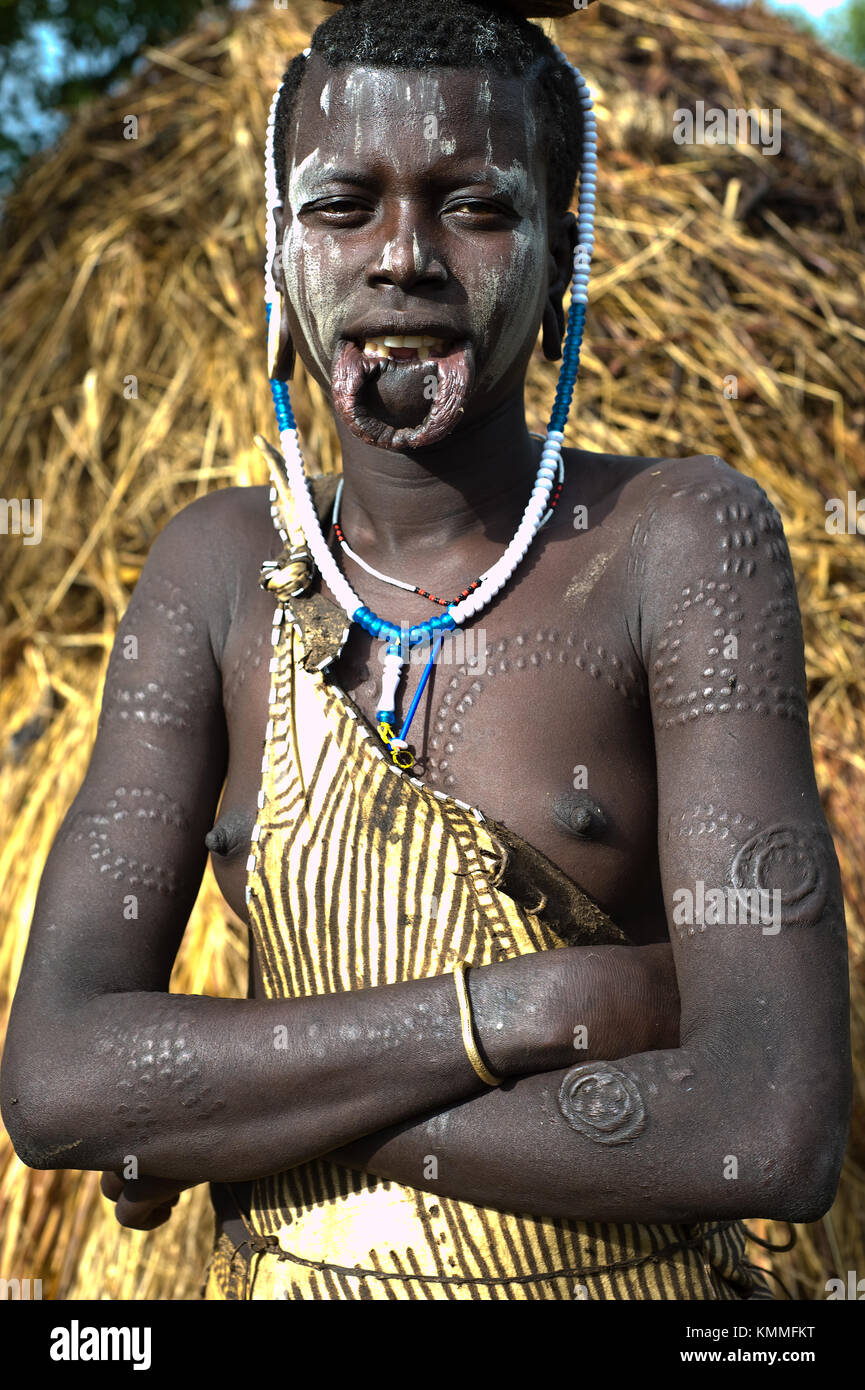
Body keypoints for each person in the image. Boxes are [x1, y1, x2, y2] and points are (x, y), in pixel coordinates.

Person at [1, 0, 851, 1301]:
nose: (402, 254)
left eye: (473, 205)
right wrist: (512, 1014)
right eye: (343, 206)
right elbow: (59, 1078)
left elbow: (766, 1124)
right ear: (278, 255)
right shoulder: (215, 572)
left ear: (565, 253)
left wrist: (241, 1121)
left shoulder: (676, 544)